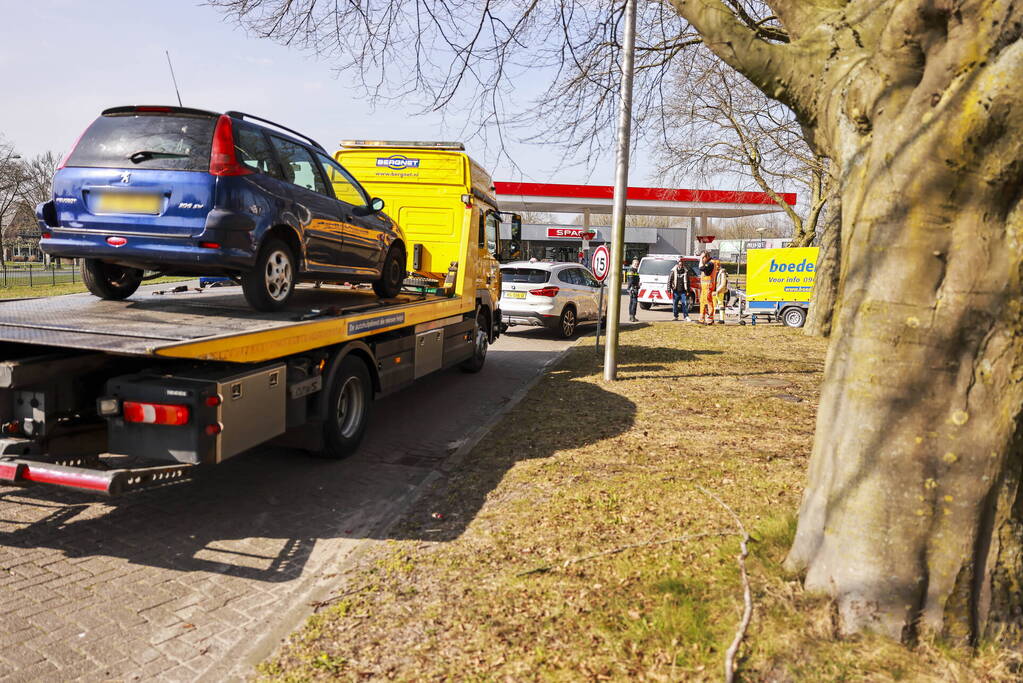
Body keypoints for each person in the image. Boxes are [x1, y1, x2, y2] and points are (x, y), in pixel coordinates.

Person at [667, 256, 691, 322]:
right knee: (675, 304)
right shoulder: (673, 271)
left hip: (683, 291)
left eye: (682, 264)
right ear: (677, 264)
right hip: (675, 291)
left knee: (685, 303)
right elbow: (669, 280)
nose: (680, 265)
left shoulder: (686, 271)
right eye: (679, 264)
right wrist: (669, 289)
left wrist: (688, 290)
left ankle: (686, 316)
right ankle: (675, 316)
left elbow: (688, 282)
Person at [698, 251, 716, 324]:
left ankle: (710, 318)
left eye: (703, 257)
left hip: (708, 286)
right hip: (705, 287)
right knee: (702, 302)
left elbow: (701, 268)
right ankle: (701, 318)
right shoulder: (707, 263)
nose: (702, 259)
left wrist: (700, 260)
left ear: (707, 257)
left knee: (708, 302)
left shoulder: (710, 263)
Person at [625, 258, 640, 322]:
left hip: (635, 288)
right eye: (635, 264)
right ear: (632, 264)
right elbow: (631, 280)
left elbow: (635, 279)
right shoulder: (631, 270)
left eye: (637, 264)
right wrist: (631, 288)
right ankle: (632, 316)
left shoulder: (635, 270)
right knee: (634, 303)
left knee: (632, 303)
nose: (637, 265)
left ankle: (632, 316)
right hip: (633, 288)